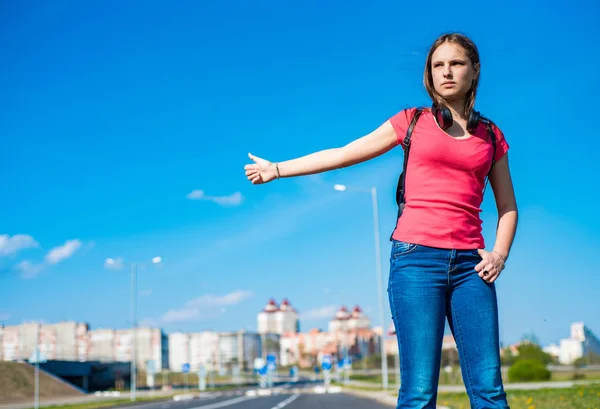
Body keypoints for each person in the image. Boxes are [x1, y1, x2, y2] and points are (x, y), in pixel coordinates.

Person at [244, 33, 518, 409]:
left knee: (489, 391)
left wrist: (499, 254)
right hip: (416, 261)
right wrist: (277, 169)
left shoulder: (490, 136)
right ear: (429, 75)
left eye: (456, 63)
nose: (447, 72)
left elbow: (508, 206)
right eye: (438, 65)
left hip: (472, 267)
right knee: (419, 392)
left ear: (474, 70)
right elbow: (344, 154)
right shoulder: (412, 122)